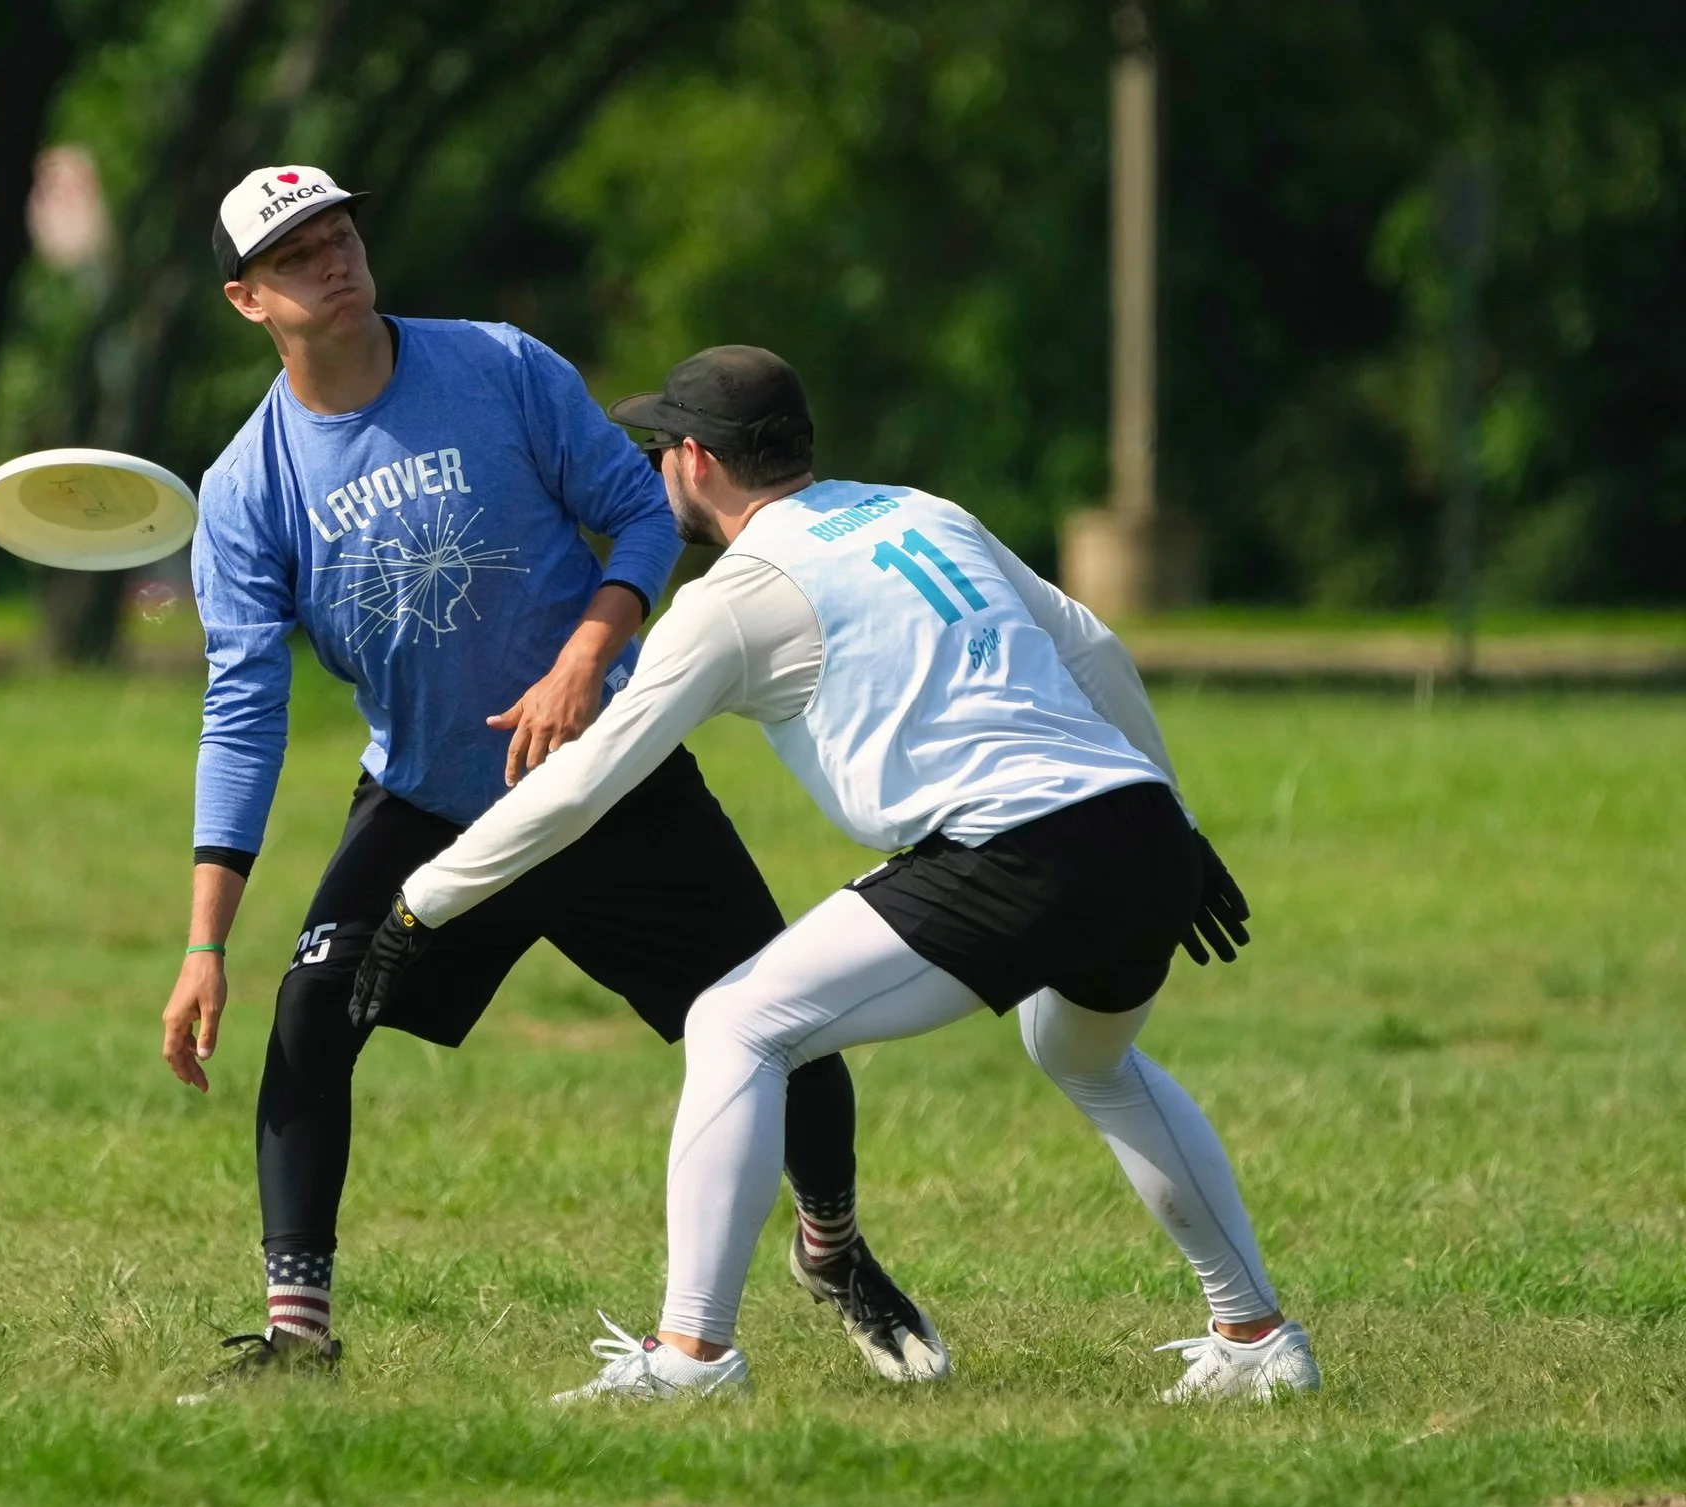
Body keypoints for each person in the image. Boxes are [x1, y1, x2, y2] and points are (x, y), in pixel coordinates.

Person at [354, 344, 1321, 1404]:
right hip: (1139, 831)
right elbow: (1094, 649)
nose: (655, 467)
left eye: (658, 446)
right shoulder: (922, 510)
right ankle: (1256, 1336)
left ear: (696, 459)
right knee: (1085, 1056)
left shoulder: (733, 598)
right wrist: (1178, 823)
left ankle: (691, 1359)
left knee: (736, 1023)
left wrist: (420, 903)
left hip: (1016, 848)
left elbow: (583, 785)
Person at [162, 169, 942, 1385]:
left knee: (785, 1024)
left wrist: (587, 656)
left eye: (341, 234)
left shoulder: (498, 364)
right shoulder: (246, 489)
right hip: (430, 801)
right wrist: (206, 942)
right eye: (296, 254)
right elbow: (244, 712)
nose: (333, 260)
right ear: (246, 299)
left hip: (608, 776)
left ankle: (831, 1249)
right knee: (311, 1012)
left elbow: (642, 515)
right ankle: (297, 1334)